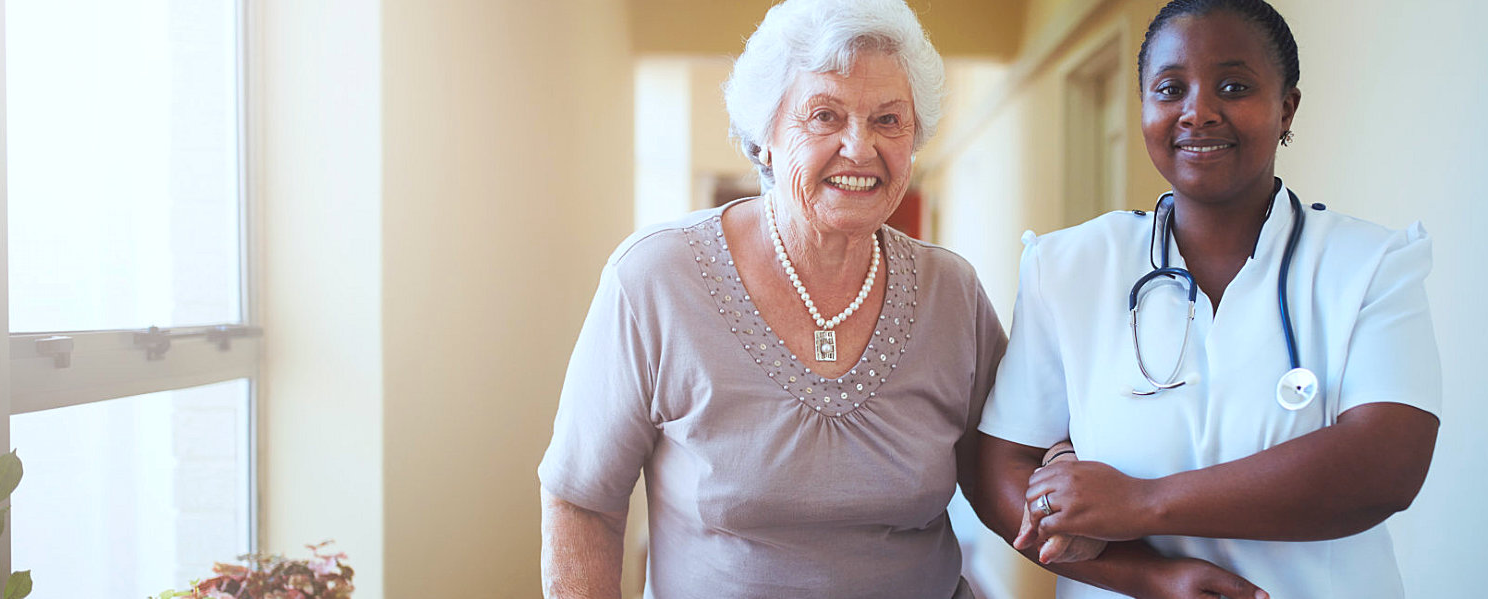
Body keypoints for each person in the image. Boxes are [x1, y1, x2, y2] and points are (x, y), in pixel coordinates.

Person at [972, 1, 1442, 597]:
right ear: (1142, 108)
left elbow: (1384, 466)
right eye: (1170, 89)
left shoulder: (1370, 265)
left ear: (1286, 108)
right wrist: (1150, 578)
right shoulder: (1068, 267)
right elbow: (1000, 471)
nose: (1198, 112)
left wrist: (1144, 503)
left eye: (1234, 86)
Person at [537, 0, 1003, 597]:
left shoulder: (952, 294)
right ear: (765, 139)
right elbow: (584, 502)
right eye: (824, 115)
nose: (860, 148)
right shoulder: (655, 279)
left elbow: (1004, 469)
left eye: (889, 120)